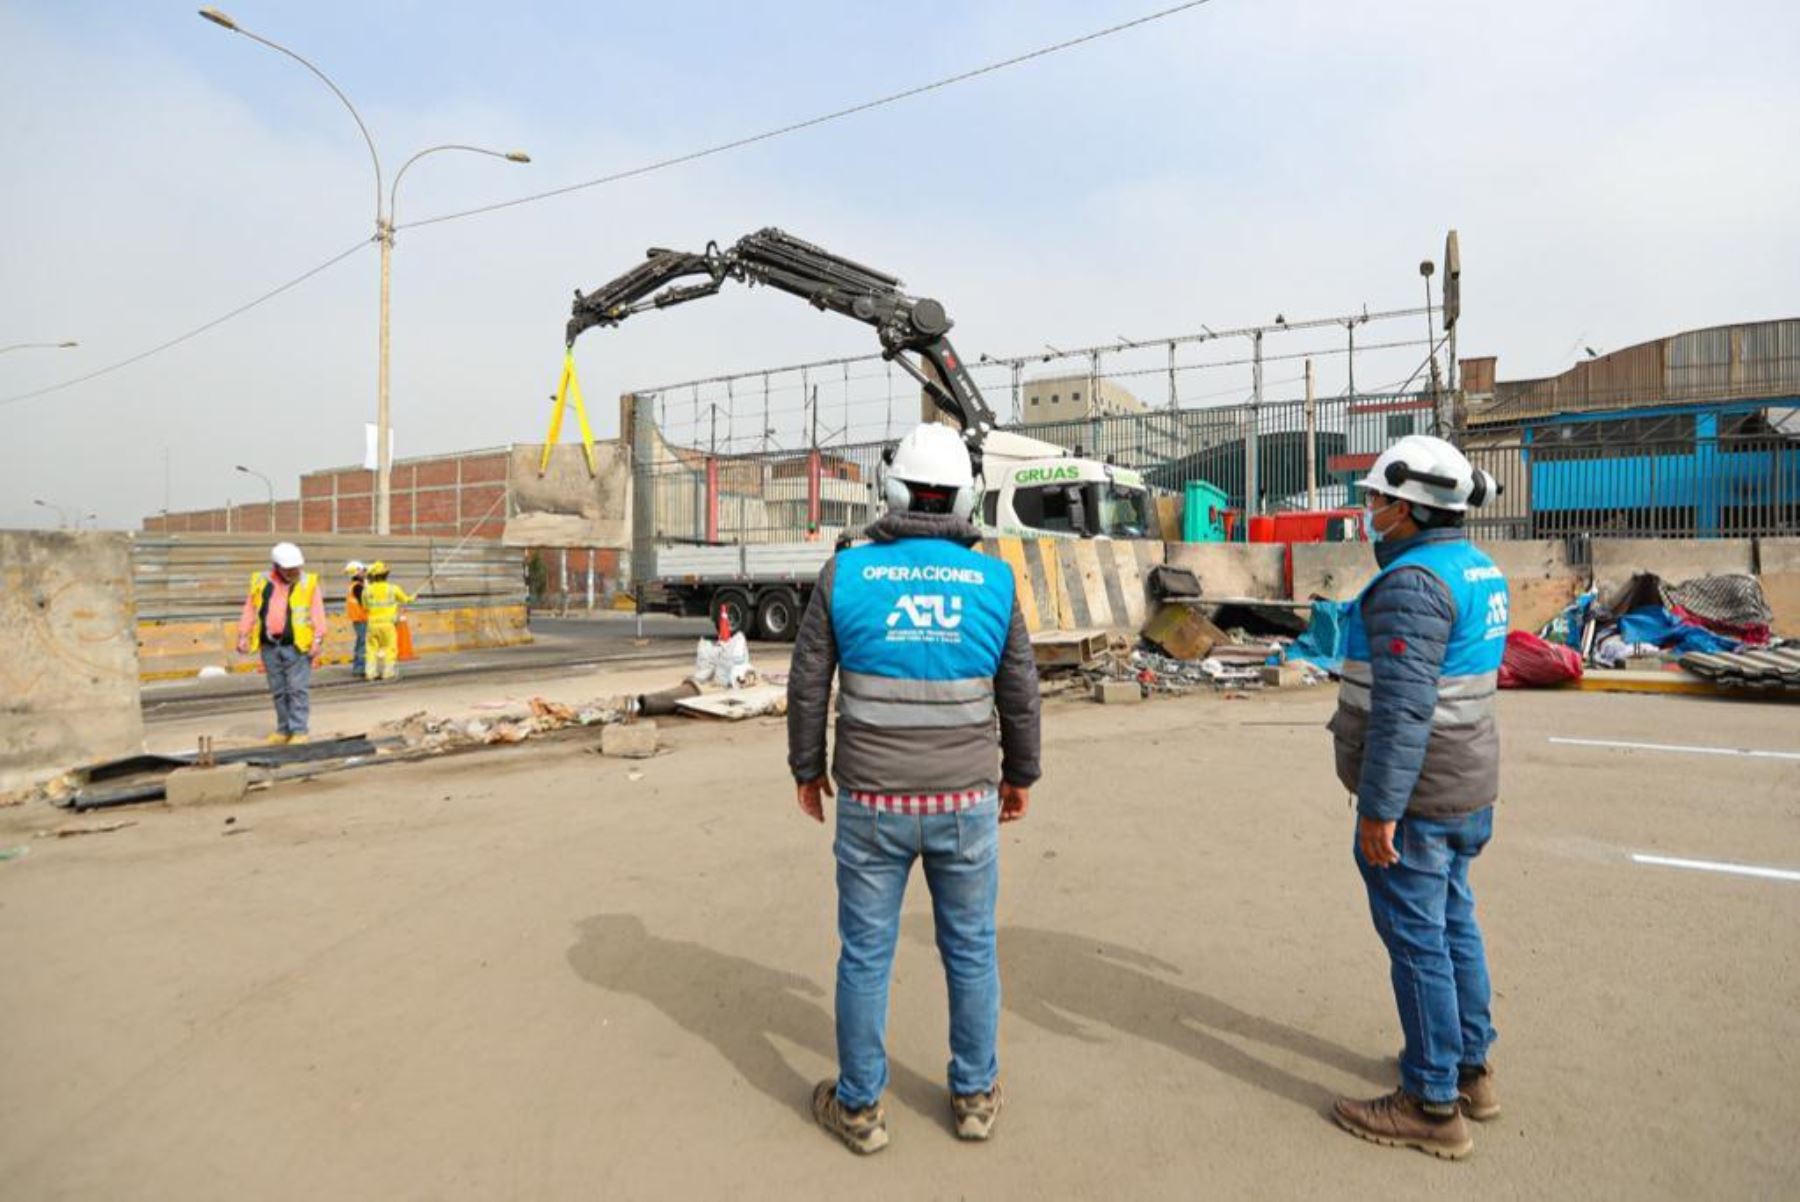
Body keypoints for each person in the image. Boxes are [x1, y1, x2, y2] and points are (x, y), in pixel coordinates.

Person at [787, 422, 1041, 1156]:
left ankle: (860, 1109)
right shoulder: (993, 578)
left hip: (870, 804)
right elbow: (1020, 692)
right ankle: (974, 1097)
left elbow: (809, 684)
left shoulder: (849, 573)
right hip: (966, 804)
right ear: (967, 494)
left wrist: (808, 770)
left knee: (865, 955)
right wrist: (1019, 775)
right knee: (970, 950)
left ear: (892, 488)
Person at [1328, 435, 1509, 1161]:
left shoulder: (1412, 585)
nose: (1370, 512)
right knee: (1454, 924)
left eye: (1377, 500)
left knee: (1419, 942)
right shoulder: (1477, 568)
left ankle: (1432, 1103)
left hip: (1420, 798)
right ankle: (1472, 1068)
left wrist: (1379, 813)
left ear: (1409, 506)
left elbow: (1404, 712)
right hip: (1466, 787)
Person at [236, 541, 326, 745]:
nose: (294, 572)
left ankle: (299, 730)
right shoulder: (260, 582)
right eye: (289, 569)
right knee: (279, 690)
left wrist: (318, 638)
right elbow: (250, 610)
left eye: (296, 568)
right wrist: (243, 634)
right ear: (276, 566)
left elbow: (317, 612)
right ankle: (283, 729)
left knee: (297, 689)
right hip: (269, 645)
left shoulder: (308, 582)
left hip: (297, 645)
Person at [361, 561, 414, 681]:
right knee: (390, 648)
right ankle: (388, 673)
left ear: (373, 576)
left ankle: (370, 673)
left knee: (371, 650)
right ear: (386, 574)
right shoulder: (393, 589)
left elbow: (365, 607)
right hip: (388, 625)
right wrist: (413, 597)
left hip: (372, 624)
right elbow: (406, 600)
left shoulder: (367, 590)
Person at [343, 560, 369, 678]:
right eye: (363, 570)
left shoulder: (354, 585)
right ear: (356, 572)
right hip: (361, 618)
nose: (365, 572)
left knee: (360, 643)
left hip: (357, 618)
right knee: (363, 644)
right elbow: (366, 602)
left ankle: (357, 667)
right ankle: (359, 668)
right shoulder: (358, 587)